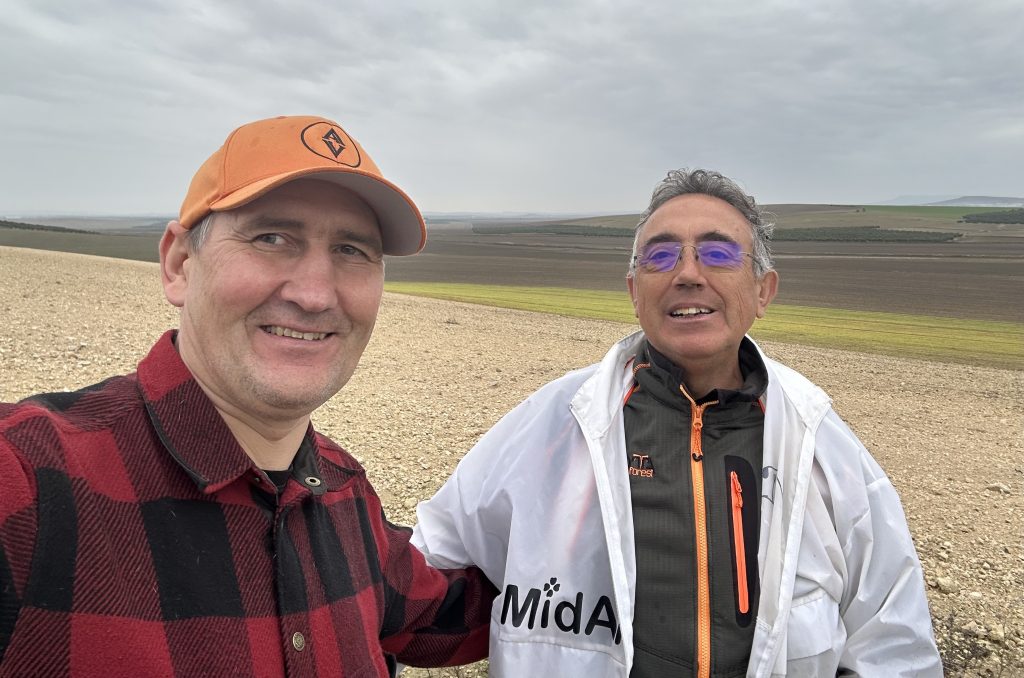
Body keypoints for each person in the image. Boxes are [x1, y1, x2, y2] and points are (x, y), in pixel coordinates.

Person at [0, 115, 494, 677]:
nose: (314, 295)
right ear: (179, 264)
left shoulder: (343, 493)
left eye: (352, 249)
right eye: (271, 238)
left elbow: (461, 614)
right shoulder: (28, 481)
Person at [412, 169, 942, 677]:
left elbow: (893, 645)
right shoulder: (551, 424)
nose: (687, 274)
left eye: (718, 253)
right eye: (660, 256)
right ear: (633, 291)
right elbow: (428, 563)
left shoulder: (820, 443)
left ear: (764, 290)